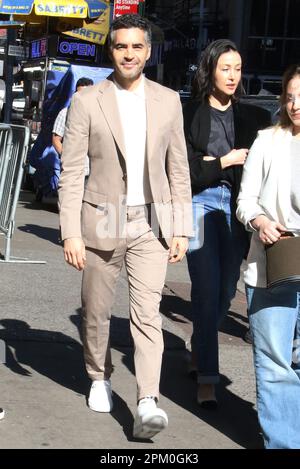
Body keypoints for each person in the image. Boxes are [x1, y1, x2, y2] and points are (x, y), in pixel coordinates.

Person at [58, 14, 193, 440]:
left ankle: (147, 399)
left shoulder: (168, 100)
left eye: (137, 46)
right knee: (96, 311)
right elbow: (72, 168)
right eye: (121, 46)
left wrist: (182, 227)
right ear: (111, 50)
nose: (129, 54)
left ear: (148, 52)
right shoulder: (88, 101)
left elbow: (179, 170)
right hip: (100, 218)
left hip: (151, 220)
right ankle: (99, 376)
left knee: (147, 315)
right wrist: (70, 232)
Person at [183, 39, 271, 408]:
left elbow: (262, 166)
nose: (233, 76)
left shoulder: (255, 118)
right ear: (210, 70)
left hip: (237, 209)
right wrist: (225, 161)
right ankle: (207, 378)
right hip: (198, 204)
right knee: (205, 288)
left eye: (237, 68)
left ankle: (199, 345)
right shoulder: (188, 113)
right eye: (225, 68)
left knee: (224, 290)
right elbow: (187, 171)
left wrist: (211, 161)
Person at [237, 63, 300, 449]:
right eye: (290, 97)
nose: (296, 105)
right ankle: (284, 444)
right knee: (276, 364)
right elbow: (245, 201)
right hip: (272, 262)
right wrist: (260, 220)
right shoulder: (267, 141)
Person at [52, 77, 94, 177]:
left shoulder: (98, 115)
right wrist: (67, 158)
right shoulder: (65, 113)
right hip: (72, 172)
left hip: (93, 172)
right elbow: (56, 140)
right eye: (79, 94)